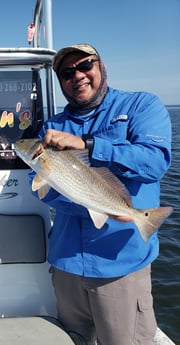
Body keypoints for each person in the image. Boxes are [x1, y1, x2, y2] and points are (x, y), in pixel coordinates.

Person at [29, 44, 172, 345]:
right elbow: (40, 183)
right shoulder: (53, 125)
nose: (77, 75)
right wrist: (88, 200)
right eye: (67, 73)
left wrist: (90, 145)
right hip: (66, 264)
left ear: (101, 65)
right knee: (72, 340)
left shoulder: (141, 106)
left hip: (119, 264)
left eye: (85, 65)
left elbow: (155, 161)